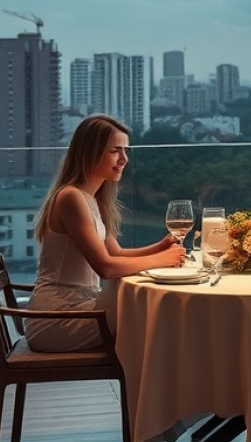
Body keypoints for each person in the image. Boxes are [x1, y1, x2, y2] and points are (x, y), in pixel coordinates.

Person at [24, 114, 186, 352]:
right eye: (115, 151)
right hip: (56, 318)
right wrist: (163, 259)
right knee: (150, 313)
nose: (124, 159)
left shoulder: (91, 199)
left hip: (84, 307)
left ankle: (155, 374)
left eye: (125, 151)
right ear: (90, 152)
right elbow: (106, 268)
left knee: (151, 313)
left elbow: (116, 253)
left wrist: (159, 247)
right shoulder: (71, 198)